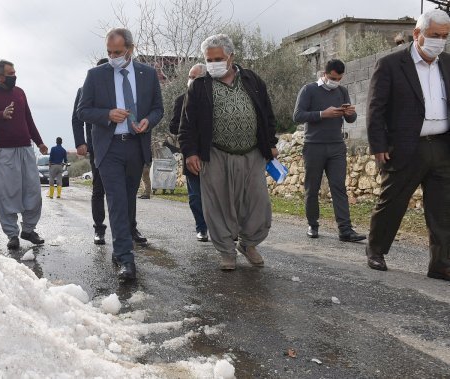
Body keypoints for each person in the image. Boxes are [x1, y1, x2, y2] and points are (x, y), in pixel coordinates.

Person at [179, 34, 278, 271]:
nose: (213, 63)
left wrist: (271, 142)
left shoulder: (252, 80)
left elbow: (267, 113)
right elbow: (187, 124)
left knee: (257, 202)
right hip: (215, 155)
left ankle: (249, 244)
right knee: (217, 205)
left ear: (231, 56)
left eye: (218, 58)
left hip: (252, 153)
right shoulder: (200, 86)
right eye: (209, 59)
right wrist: (190, 152)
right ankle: (226, 252)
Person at [365, 10, 450, 281]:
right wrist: (378, 144)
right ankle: (376, 250)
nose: (440, 41)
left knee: (443, 208)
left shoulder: (447, 63)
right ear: (417, 34)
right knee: (392, 202)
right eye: (435, 35)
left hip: (442, 145)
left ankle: (441, 264)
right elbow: (375, 109)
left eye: (445, 36)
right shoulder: (390, 65)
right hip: (405, 147)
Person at [77, 27, 164, 280]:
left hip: (136, 145)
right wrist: (107, 115)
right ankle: (126, 259)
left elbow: (158, 108)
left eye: (118, 52)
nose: (113, 56)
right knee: (115, 200)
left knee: (128, 201)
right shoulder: (95, 75)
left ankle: (120, 247)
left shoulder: (147, 75)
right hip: (109, 147)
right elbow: (83, 111)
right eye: (109, 52)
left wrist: (148, 120)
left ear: (130, 49)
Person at [293, 59, 366, 242]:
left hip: (336, 146)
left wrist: (350, 113)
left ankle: (345, 230)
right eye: (333, 77)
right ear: (324, 74)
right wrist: (322, 114)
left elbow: (351, 119)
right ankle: (313, 225)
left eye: (340, 78)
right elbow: (298, 115)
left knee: (339, 187)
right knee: (312, 187)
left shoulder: (342, 91)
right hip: (314, 146)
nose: (336, 81)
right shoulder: (308, 90)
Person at [0, 59, 48, 250]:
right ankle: (12, 235)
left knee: (33, 190)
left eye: (14, 72)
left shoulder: (19, 93)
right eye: (10, 74)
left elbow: (28, 119)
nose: (14, 76)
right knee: (7, 193)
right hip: (3, 152)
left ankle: (28, 229)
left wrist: (39, 142)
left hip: (25, 148)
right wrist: (1, 114)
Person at [72, 58, 110, 245]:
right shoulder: (84, 90)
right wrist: (81, 142)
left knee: (125, 191)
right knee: (99, 189)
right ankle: (99, 229)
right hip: (97, 147)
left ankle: (130, 227)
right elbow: (77, 119)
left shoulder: (121, 88)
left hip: (121, 145)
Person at [170, 63, 209, 242]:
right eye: (190, 77)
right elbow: (173, 126)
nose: (191, 80)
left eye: (195, 77)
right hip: (191, 152)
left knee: (218, 194)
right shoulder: (181, 100)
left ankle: (224, 229)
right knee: (195, 196)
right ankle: (201, 227)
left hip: (212, 153)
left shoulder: (212, 97)